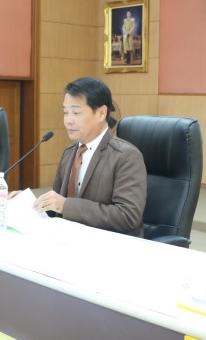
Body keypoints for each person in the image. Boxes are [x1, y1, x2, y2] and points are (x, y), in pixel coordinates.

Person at [32, 77, 147, 237]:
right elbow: (57, 203)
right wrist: (29, 202)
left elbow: (128, 216)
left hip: (110, 244)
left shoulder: (126, 156)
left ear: (101, 113)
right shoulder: (69, 152)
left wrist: (66, 206)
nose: (68, 121)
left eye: (76, 112)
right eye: (65, 112)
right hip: (68, 239)